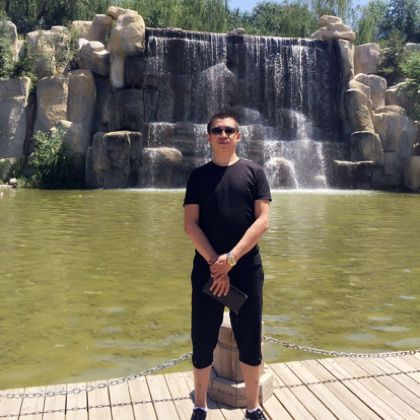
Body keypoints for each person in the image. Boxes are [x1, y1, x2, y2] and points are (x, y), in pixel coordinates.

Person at [183, 112, 271, 420]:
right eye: (217, 130)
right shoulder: (198, 176)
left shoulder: (255, 172)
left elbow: (263, 221)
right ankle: (200, 405)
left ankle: (252, 407)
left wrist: (230, 260)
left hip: (245, 270)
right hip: (207, 271)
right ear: (208, 136)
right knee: (202, 339)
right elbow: (190, 225)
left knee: (249, 339)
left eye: (229, 130)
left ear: (238, 135)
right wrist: (215, 263)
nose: (224, 135)